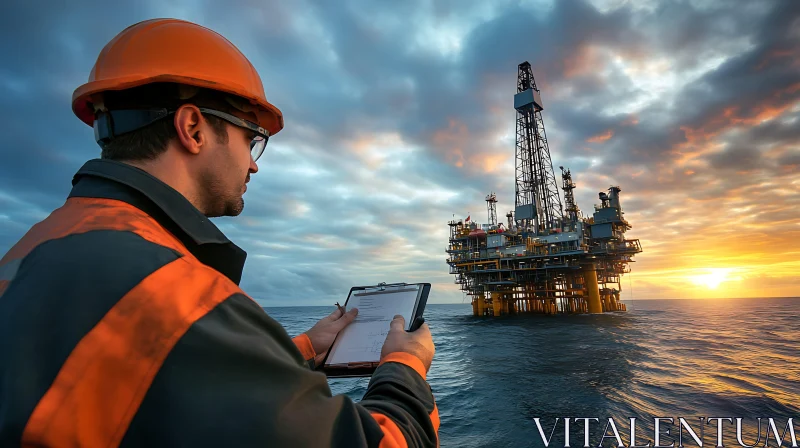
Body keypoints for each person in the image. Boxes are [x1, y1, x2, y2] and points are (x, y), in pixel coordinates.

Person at [0, 18, 438, 447]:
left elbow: (147, 376)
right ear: (193, 129)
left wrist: (305, 347)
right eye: (251, 139)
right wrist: (405, 364)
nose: (253, 163)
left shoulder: (31, 249)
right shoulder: (178, 293)